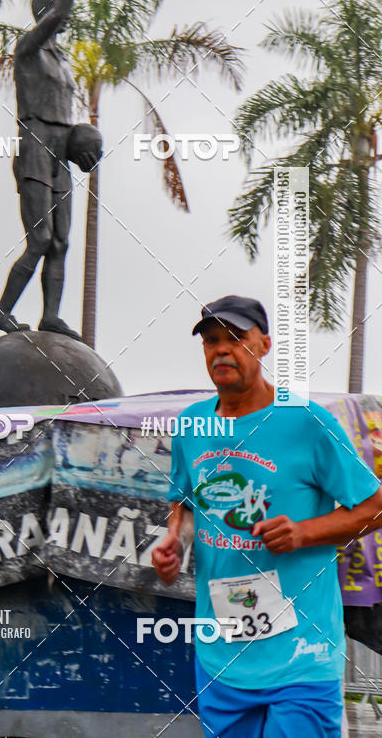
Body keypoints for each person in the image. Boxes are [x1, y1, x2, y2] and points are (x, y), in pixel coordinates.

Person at [152, 294, 382, 738]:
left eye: (236, 338)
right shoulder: (191, 426)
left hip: (303, 657)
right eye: (212, 341)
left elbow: (374, 506)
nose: (223, 349)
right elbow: (184, 502)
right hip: (222, 658)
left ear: (264, 345)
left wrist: (303, 532)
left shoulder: (307, 422)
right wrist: (174, 543)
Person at [0, 0, 114, 341]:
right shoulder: (28, 48)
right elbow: (60, 12)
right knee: (39, 239)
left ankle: (51, 316)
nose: (66, 17)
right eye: (59, 10)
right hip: (36, 146)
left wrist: (82, 143)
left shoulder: (61, 60)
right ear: (45, 13)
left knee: (60, 242)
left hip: (60, 150)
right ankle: (2, 312)